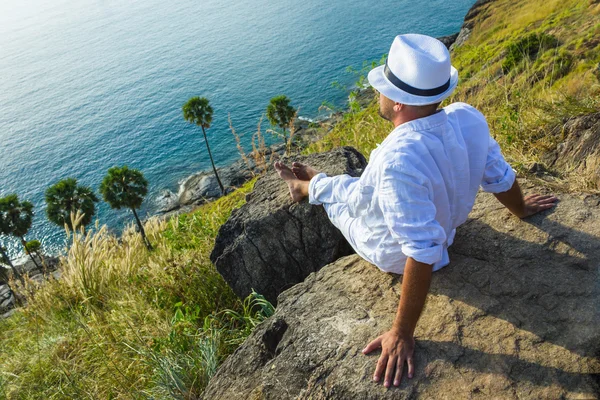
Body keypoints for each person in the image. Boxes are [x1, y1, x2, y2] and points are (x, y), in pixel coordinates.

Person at [274, 34, 557, 388]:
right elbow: (496, 172)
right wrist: (520, 207)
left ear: (396, 103)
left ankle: (306, 187)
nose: (378, 94)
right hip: (448, 227)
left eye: (381, 88)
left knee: (344, 204)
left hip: (394, 253)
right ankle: (315, 184)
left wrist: (401, 333)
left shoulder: (397, 159)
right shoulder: (467, 118)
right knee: (366, 189)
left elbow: (393, 225)